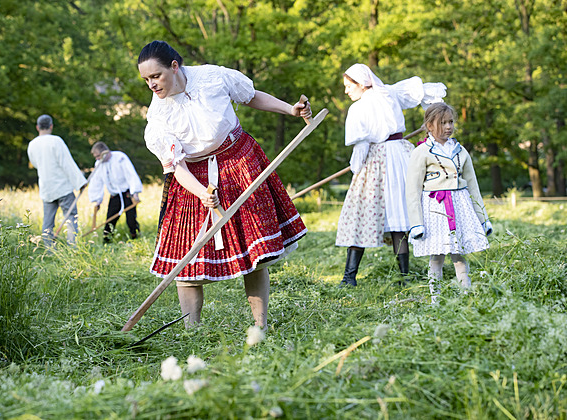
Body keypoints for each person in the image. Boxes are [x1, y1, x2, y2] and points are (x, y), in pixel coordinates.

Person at [138, 40, 311, 330]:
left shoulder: (213, 76)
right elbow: (176, 167)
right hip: (193, 180)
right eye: (146, 80)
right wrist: (201, 194)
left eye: (155, 76)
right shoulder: (157, 117)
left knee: (255, 255)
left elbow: (251, 96)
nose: (151, 85)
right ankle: (192, 332)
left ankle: (261, 326)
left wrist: (289, 111)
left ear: (174, 66)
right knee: (187, 261)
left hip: (239, 162)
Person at [336, 63, 447, 286]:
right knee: (399, 215)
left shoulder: (358, 109)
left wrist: (356, 167)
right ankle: (404, 276)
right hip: (402, 156)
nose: (347, 91)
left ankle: (350, 278)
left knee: (361, 212)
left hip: (377, 158)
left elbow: (361, 145)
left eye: (349, 86)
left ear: (362, 84)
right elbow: (424, 91)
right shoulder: (389, 92)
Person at [406, 103, 492, 304]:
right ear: (429, 125)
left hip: (460, 207)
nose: (448, 127)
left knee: (459, 255)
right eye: (442, 123)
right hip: (435, 210)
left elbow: (473, 187)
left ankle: (466, 298)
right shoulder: (421, 152)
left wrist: (483, 219)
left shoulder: (460, 151)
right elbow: (412, 190)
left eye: (450, 122)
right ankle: (436, 300)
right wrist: (416, 223)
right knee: (436, 257)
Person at [27, 114, 86, 246]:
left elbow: (35, 164)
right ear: (51, 126)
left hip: (46, 188)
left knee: (47, 221)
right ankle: (73, 248)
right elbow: (67, 163)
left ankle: (48, 250)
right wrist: (80, 182)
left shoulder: (32, 144)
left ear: (37, 127)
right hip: (62, 187)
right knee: (71, 217)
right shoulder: (56, 141)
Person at [88, 141, 143, 243]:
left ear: (104, 153)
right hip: (114, 195)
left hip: (127, 193)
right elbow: (97, 182)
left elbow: (130, 174)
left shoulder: (120, 158)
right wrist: (97, 200)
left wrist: (135, 192)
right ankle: (107, 241)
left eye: (98, 156)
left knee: (131, 219)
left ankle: (136, 239)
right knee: (110, 219)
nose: (97, 159)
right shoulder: (98, 164)